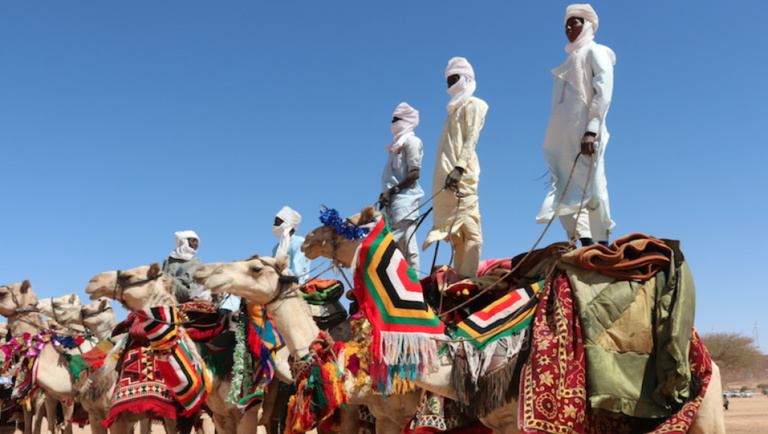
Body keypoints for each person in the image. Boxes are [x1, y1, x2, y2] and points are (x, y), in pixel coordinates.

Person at [536, 4, 616, 247]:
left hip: (586, 135)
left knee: (591, 188)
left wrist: (591, 129)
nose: (569, 28)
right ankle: (584, 245)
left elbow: (603, 92)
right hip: (565, 141)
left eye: (575, 22)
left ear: (588, 24)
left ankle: (598, 246)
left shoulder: (596, 52)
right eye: (566, 25)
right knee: (565, 190)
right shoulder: (569, 62)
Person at [423, 57, 488, 278]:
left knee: (473, 236)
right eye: (448, 81)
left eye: (454, 79)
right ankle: (462, 282)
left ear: (466, 78)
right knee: (460, 237)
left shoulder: (475, 104)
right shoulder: (452, 112)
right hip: (445, 178)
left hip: (461, 176)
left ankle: (466, 281)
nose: (450, 85)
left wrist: (459, 168)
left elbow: (472, 138)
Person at [378, 102, 424, 273]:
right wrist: (387, 194)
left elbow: (414, 173)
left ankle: (414, 283)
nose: (393, 123)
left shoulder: (412, 142)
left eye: (396, 119)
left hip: (405, 200)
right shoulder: (395, 147)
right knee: (394, 248)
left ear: (407, 121)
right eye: (392, 120)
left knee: (407, 246)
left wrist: (392, 191)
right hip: (391, 202)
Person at [272, 206, 311, 284]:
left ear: (287, 224)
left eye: (277, 223)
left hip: (296, 284)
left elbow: (297, 271)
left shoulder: (299, 242)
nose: (274, 226)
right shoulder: (277, 248)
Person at [162, 230, 203, 303]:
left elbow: (187, 279)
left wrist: (168, 279)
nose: (195, 244)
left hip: (186, 292)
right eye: (193, 241)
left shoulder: (196, 261)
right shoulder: (168, 260)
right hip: (167, 291)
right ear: (183, 241)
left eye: (196, 242)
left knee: (162, 275)